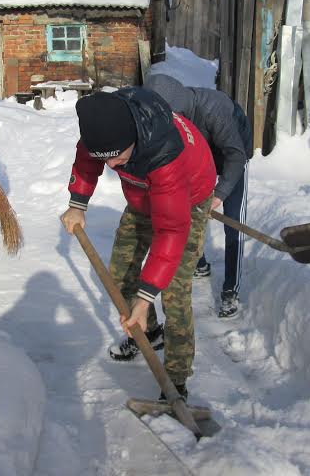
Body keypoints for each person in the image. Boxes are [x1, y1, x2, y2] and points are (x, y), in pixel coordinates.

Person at [60, 88, 216, 400]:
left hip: (187, 199)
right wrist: (78, 203)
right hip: (142, 197)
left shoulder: (165, 152)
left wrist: (145, 299)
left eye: (119, 156)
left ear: (135, 136)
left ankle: (176, 377)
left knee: (173, 292)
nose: (115, 166)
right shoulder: (104, 126)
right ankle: (149, 331)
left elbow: (171, 231)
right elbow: (88, 159)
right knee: (120, 274)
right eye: (109, 160)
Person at [144, 73, 253, 319]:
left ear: (177, 111)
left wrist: (220, 193)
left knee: (234, 225)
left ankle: (230, 291)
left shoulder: (214, 112)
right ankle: (200, 264)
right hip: (202, 154)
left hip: (233, 154)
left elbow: (236, 156)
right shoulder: (174, 116)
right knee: (188, 208)